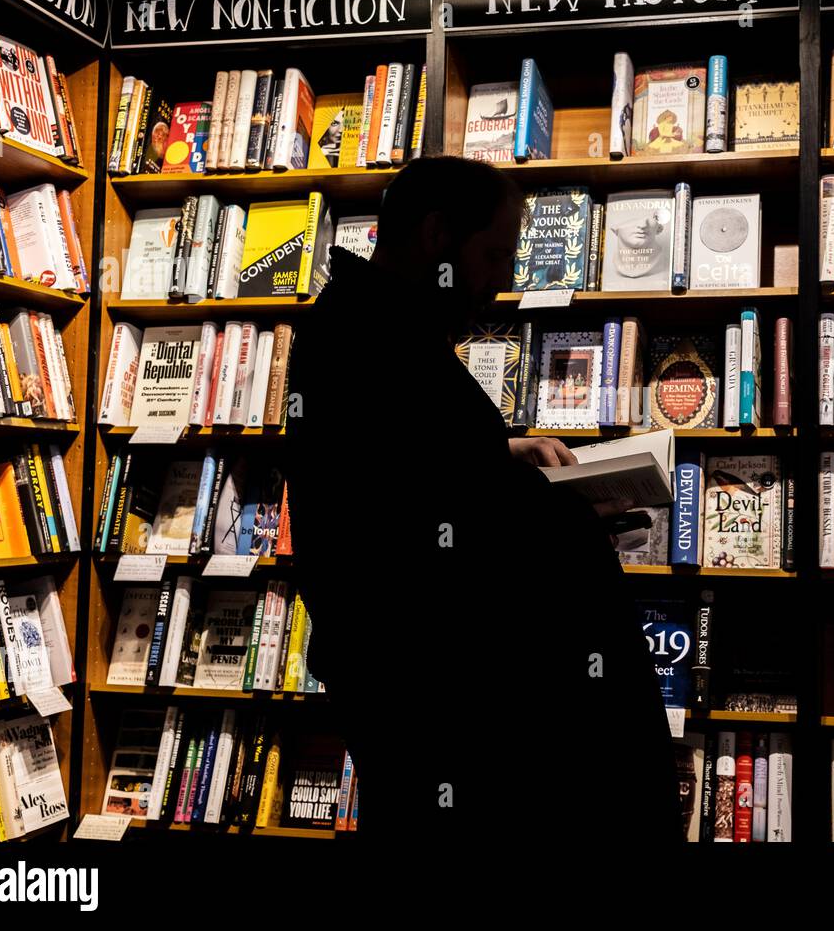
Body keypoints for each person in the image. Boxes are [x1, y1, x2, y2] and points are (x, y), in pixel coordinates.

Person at [285, 156, 682, 843]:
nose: (504, 279)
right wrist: (563, 518)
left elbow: (400, 470)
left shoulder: (377, 325)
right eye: (495, 254)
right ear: (437, 235)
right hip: (429, 700)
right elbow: (409, 533)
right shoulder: (371, 339)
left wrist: (503, 455)